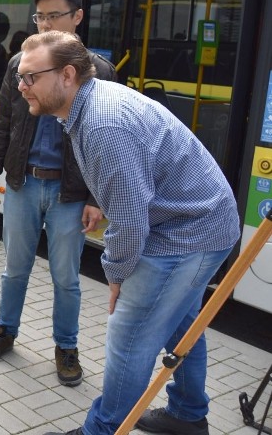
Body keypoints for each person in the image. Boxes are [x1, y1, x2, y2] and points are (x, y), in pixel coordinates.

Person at [19, 32, 240, 435]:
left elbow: (130, 222)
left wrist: (117, 274)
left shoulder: (104, 122)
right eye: (20, 77)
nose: (21, 87)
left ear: (67, 75)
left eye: (30, 77)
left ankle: (103, 430)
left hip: (190, 231)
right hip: (196, 219)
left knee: (130, 334)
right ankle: (188, 415)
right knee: (182, 324)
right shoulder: (89, 103)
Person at [0, 0, 116, 387]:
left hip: (70, 194)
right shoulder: (21, 63)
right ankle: (5, 330)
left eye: (55, 15)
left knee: (66, 277)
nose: (46, 24)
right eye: (40, 16)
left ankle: (66, 346)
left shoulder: (98, 71)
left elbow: (107, 142)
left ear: (78, 17)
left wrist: (95, 197)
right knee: (14, 268)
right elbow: (4, 124)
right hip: (22, 183)